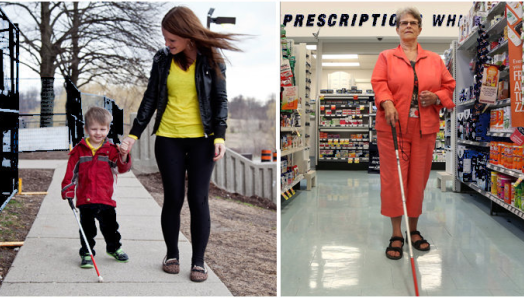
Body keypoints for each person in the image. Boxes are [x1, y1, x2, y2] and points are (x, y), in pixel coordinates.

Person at [119, 6, 241, 282]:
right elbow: (150, 97)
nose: (167, 44)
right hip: (168, 138)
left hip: (203, 141)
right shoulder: (162, 60)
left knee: (198, 199)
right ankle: (171, 254)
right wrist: (133, 134)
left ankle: (199, 261)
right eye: (165, 39)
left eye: (172, 40)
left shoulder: (212, 60)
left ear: (188, 36)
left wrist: (219, 135)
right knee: (173, 198)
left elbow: (220, 100)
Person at [371, 7, 456, 260]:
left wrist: (437, 97)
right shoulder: (386, 57)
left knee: (417, 181)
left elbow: (449, 86)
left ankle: (414, 230)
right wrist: (387, 102)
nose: (408, 26)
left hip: (424, 130)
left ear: (420, 28)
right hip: (393, 130)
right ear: (397, 29)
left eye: (413, 22)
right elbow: (379, 83)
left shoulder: (434, 60)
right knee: (394, 181)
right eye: (403, 22)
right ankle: (397, 234)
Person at [61, 106, 132, 268]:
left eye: (102, 129)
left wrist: (123, 155)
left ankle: (114, 248)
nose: (98, 133)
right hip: (85, 199)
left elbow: (122, 168)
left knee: (111, 228)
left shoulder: (111, 151)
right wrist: (68, 190)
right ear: (86, 129)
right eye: (94, 129)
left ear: (108, 129)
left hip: (105, 198)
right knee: (86, 229)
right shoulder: (79, 151)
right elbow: (70, 173)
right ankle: (87, 252)